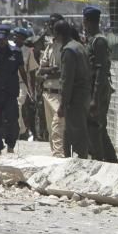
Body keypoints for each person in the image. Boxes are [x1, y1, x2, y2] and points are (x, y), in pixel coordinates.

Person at [82, 5, 118, 162]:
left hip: (99, 91)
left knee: (97, 127)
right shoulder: (93, 41)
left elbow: (100, 72)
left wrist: (94, 98)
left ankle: (106, 161)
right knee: (95, 128)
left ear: (87, 22)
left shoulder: (99, 42)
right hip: (93, 90)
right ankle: (105, 161)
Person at [54, 19, 91, 159]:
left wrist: (63, 104)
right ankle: (70, 159)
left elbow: (66, 80)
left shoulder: (68, 50)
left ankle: (80, 162)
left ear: (58, 35)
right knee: (70, 131)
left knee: (77, 133)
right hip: (84, 95)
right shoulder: (79, 46)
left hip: (74, 98)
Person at [0, 25, 26, 155]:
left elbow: (22, 71)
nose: (1, 41)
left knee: (12, 121)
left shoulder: (16, 52)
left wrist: (29, 87)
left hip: (10, 93)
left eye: (3, 39)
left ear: (7, 38)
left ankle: (11, 146)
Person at [37, 13, 66, 157]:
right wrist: (49, 71)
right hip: (47, 92)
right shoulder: (50, 45)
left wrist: (50, 72)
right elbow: (41, 70)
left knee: (57, 127)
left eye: (52, 25)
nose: (49, 27)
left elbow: (65, 72)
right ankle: (55, 155)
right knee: (51, 130)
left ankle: (59, 157)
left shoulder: (66, 46)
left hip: (59, 93)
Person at [12, 27, 39, 140]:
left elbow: (32, 73)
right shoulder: (10, 49)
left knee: (17, 105)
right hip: (9, 83)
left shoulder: (28, 52)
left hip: (21, 84)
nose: (14, 38)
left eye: (17, 36)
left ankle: (22, 130)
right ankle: (19, 130)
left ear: (22, 38)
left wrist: (31, 90)